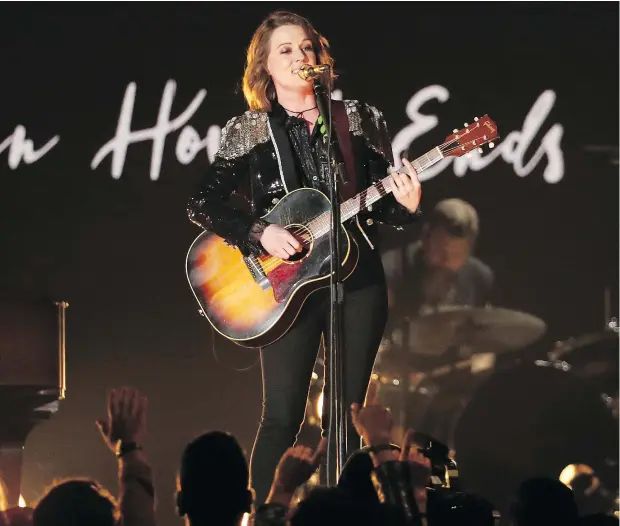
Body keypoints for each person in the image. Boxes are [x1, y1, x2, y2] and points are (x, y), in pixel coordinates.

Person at [187, 10, 422, 505]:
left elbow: (382, 207)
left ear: (322, 59)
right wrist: (260, 232)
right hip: (284, 284)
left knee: (350, 411)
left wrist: (407, 204)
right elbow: (201, 203)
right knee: (283, 415)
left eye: (308, 48)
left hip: (356, 277)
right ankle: (266, 512)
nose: (300, 57)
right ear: (266, 69)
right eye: (286, 50)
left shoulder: (354, 118)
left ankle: (353, 511)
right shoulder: (250, 129)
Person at [381, 198, 494, 360]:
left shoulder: (480, 277)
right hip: (398, 365)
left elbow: (484, 334)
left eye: (457, 255)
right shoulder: (393, 268)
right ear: (426, 236)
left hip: (449, 371)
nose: (446, 262)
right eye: (441, 252)